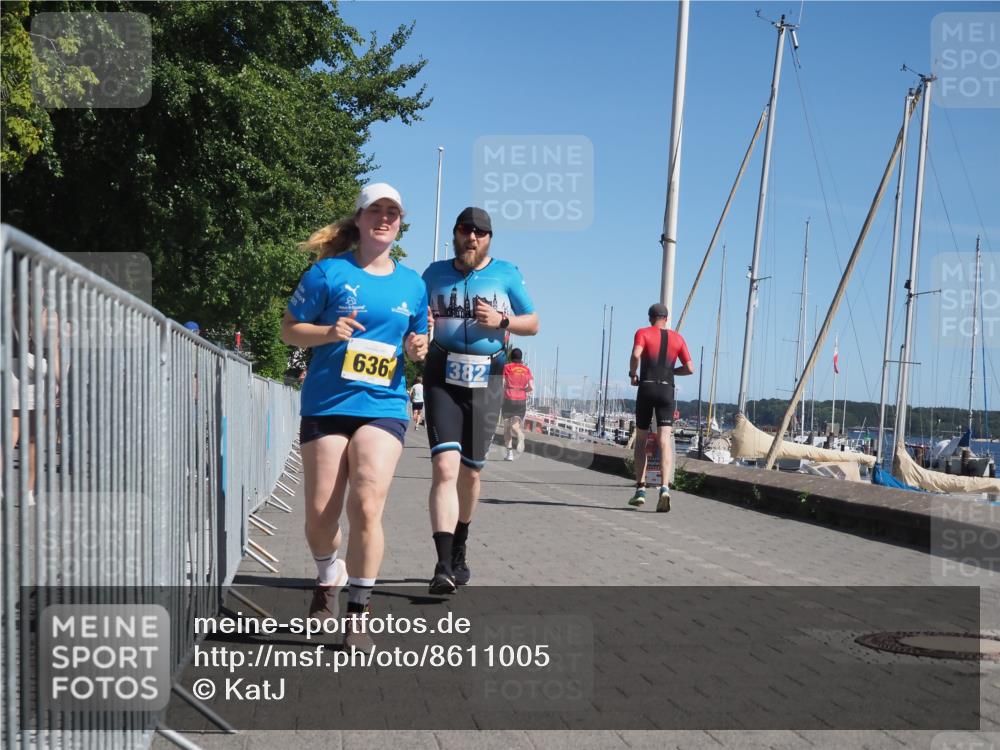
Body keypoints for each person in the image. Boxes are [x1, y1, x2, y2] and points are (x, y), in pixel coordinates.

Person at [281, 182, 428, 649]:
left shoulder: (413, 284)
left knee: (366, 501)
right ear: (360, 219)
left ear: (399, 223)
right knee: (320, 519)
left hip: (383, 405)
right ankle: (329, 571)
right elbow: (289, 331)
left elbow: (418, 339)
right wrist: (329, 332)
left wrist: (418, 348)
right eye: (375, 211)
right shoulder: (327, 273)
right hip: (327, 404)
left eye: (393, 212)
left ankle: (359, 611)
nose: (384, 218)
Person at [422, 207, 538, 593]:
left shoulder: (506, 273)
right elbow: (414, 319)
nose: (472, 237)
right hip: (442, 374)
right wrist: (419, 330)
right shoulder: (433, 274)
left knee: (470, 473)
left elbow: (533, 323)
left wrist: (503, 321)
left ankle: (459, 545)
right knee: (445, 467)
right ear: (455, 234)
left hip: (487, 377)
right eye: (465, 230)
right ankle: (442, 566)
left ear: (488, 239)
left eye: (480, 233)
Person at [628, 303, 694, 512]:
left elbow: (636, 355)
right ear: (666, 318)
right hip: (667, 389)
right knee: (664, 440)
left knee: (641, 439)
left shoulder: (643, 332)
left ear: (650, 318)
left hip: (647, 387)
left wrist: (633, 375)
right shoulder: (678, 338)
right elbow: (690, 368)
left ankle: (640, 489)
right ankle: (664, 488)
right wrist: (672, 371)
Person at [501, 348, 533, 461]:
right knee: (515, 426)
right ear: (521, 358)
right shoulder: (527, 369)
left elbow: (502, 383)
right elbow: (531, 387)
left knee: (507, 428)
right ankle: (519, 434)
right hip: (521, 401)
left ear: (511, 357)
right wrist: (523, 390)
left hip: (508, 399)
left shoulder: (507, 367)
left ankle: (509, 454)